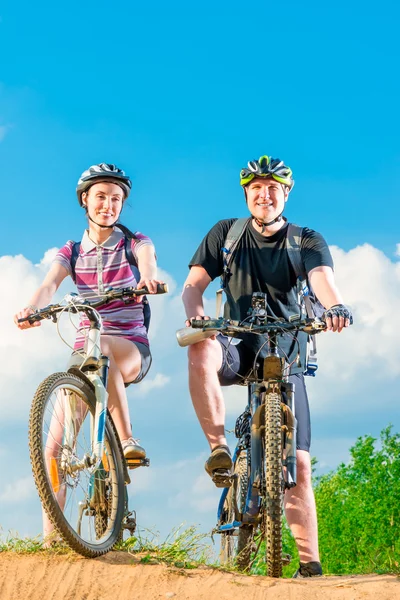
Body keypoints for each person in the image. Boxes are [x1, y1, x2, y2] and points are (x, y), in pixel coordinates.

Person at [182, 154, 353, 578]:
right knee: (200, 349)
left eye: (273, 187)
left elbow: (323, 282)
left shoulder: (305, 240)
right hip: (237, 345)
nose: (265, 194)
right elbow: (194, 285)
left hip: (288, 350)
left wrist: (334, 307)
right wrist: (197, 317)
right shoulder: (226, 234)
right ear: (246, 193)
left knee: (299, 465)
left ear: (286, 193)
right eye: (256, 187)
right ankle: (220, 449)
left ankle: (309, 566)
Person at [14, 162, 162, 541]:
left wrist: (147, 279)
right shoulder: (72, 249)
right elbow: (50, 284)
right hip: (85, 352)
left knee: (106, 349)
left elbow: (148, 261)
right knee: (54, 448)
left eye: (116, 199)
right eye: (101, 197)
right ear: (85, 200)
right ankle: (51, 538)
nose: (108, 205)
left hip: (129, 345)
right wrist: (33, 308)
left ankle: (127, 440)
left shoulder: (135, 242)